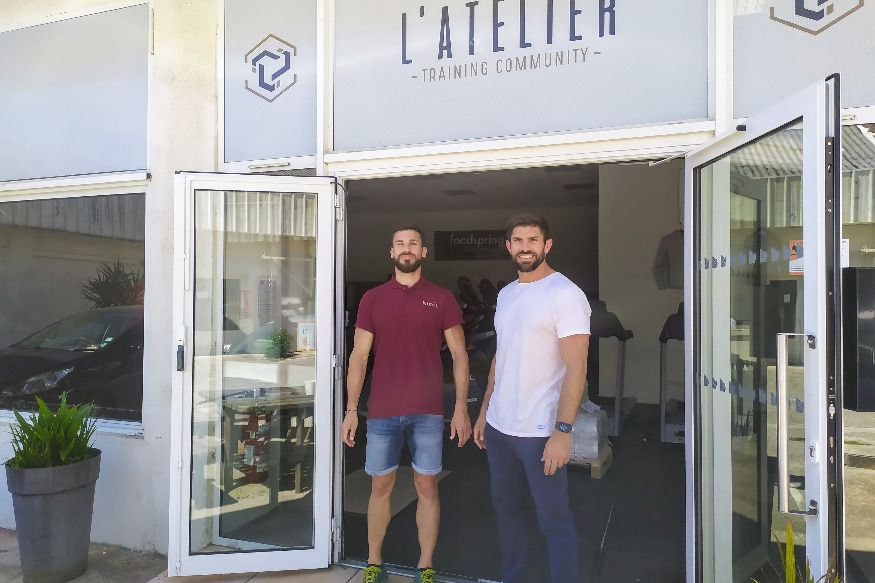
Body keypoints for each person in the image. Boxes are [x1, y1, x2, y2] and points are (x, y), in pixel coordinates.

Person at [342, 226, 472, 583]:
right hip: (382, 410)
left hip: (428, 411)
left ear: (423, 252)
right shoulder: (373, 299)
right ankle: (374, 563)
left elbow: (460, 355)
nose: (406, 248)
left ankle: (425, 566)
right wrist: (351, 410)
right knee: (379, 488)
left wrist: (461, 408)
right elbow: (359, 356)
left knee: (427, 487)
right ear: (391, 252)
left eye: (413, 243)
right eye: (400, 243)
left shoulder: (442, 298)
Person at [473, 211, 591, 583]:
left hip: (540, 432)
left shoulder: (565, 294)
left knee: (554, 520)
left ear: (547, 245)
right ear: (509, 247)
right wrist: (484, 411)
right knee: (508, 513)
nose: (526, 248)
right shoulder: (507, 294)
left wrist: (562, 431)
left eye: (533, 240)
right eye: (519, 241)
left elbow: (577, 368)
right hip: (500, 429)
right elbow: (501, 358)